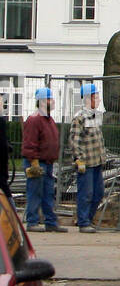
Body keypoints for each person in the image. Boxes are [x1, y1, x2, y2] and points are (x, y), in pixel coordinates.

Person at [21, 87, 65, 232]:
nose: (52, 102)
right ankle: (32, 221)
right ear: (41, 101)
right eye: (49, 99)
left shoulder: (48, 119)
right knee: (35, 192)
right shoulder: (34, 120)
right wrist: (33, 161)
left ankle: (50, 222)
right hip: (37, 163)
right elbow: (29, 143)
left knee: (47, 194)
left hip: (47, 163)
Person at [70, 82, 106, 233]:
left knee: (98, 193)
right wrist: (79, 159)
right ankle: (83, 222)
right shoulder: (79, 118)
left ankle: (86, 219)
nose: (98, 100)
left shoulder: (95, 116)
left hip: (97, 162)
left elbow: (98, 139)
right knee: (86, 193)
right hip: (86, 163)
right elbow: (74, 140)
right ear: (87, 99)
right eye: (95, 97)